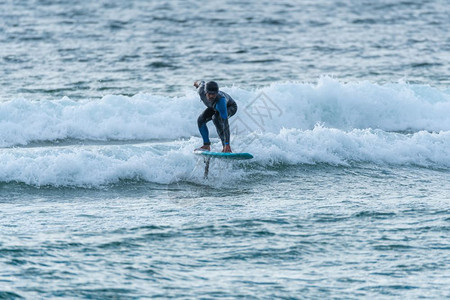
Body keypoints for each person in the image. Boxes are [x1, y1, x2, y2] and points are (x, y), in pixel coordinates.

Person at [194, 80, 237, 153]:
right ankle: (206, 145)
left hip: (230, 107)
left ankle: (226, 148)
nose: (211, 96)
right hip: (214, 107)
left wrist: (227, 144)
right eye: (209, 94)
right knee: (200, 120)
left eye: (214, 94)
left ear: (217, 93)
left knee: (216, 118)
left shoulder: (221, 101)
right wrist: (196, 83)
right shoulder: (201, 91)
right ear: (205, 92)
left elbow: (225, 123)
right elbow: (201, 82)